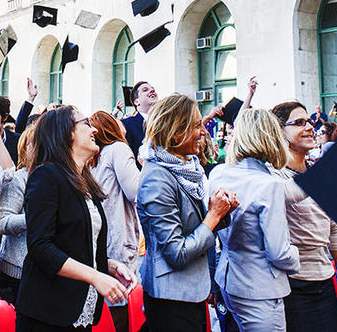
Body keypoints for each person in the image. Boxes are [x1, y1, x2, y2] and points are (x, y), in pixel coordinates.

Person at [17, 106, 133, 331]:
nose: (95, 130)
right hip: (47, 314)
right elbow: (40, 246)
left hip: (80, 312)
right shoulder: (46, 176)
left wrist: (108, 266)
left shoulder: (85, 182)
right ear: (66, 132)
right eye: (86, 123)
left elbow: (74, 243)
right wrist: (95, 277)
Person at [137, 94, 237, 332]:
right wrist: (213, 216)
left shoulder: (187, 168)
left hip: (190, 291)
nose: (203, 132)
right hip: (171, 298)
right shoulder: (157, 179)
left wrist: (222, 212)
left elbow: (193, 226)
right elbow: (176, 253)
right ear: (175, 131)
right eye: (197, 126)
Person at [209, 108, 300, 331]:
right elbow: (279, 252)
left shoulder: (219, 173)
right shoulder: (268, 185)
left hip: (228, 280)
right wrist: (297, 258)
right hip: (260, 290)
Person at [270, 101, 337, 331]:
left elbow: (334, 227)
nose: (309, 127)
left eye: (309, 121)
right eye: (299, 122)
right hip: (291, 285)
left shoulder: (315, 171)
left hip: (326, 280)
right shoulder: (272, 177)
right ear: (279, 132)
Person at [90, 111, 143, 332]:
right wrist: (146, 166)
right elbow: (136, 191)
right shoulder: (118, 149)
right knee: (121, 308)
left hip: (100, 242)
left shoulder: (92, 157)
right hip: (119, 240)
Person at [0, 123, 35, 303]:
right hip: (17, 269)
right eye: (34, 143)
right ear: (24, 150)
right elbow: (2, 221)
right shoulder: (19, 179)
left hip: (44, 270)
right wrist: (35, 218)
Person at [121, 81, 158, 158]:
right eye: (145, 90)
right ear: (136, 101)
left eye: (153, 89)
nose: (152, 91)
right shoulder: (126, 124)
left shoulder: (164, 123)